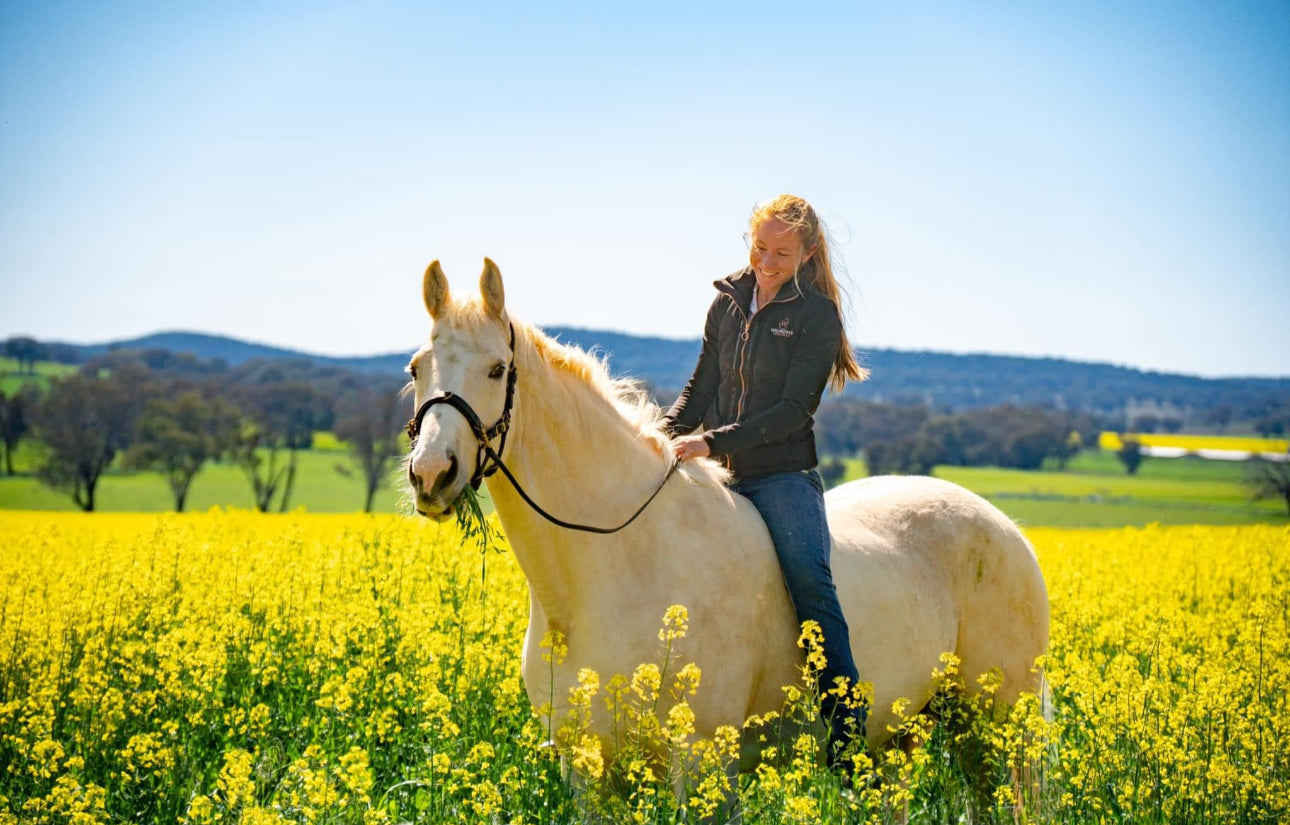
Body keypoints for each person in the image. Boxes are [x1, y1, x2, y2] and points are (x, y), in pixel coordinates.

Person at [662, 193, 868, 767]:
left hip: (781, 476)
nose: (768, 262)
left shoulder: (816, 315)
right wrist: (659, 438)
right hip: (718, 473)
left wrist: (709, 442)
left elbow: (791, 413)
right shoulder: (726, 302)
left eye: (782, 252)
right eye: (760, 248)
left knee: (810, 581)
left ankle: (847, 732)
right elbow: (700, 389)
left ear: (806, 253)